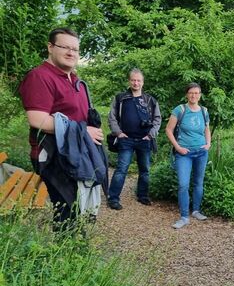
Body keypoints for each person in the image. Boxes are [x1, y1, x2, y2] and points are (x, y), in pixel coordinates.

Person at [19, 27, 105, 226]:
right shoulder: (40, 77)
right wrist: (83, 132)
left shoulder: (74, 79)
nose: (71, 53)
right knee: (68, 216)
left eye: (75, 49)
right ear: (50, 47)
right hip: (54, 156)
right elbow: (37, 120)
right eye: (64, 47)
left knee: (80, 211)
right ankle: (68, 252)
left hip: (75, 154)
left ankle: (77, 251)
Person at [107, 68, 161, 210]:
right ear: (129, 81)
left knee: (145, 170)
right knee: (121, 169)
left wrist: (150, 135)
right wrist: (118, 133)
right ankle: (113, 198)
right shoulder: (120, 98)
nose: (136, 83)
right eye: (133, 80)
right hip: (126, 139)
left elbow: (157, 119)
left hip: (145, 140)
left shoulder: (150, 100)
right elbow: (112, 117)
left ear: (143, 82)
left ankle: (142, 196)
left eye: (138, 80)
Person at [165, 83, 211, 229]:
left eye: (197, 93)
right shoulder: (180, 110)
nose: (194, 95)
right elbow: (168, 130)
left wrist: (208, 143)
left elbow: (206, 129)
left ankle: (196, 210)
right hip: (184, 153)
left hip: (201, 152)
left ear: (200, 95)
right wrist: (178, 147)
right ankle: (184, 217)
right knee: (183, 184)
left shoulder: (204, 111)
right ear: (187, 94)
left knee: (198, 182)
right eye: (191, 93)